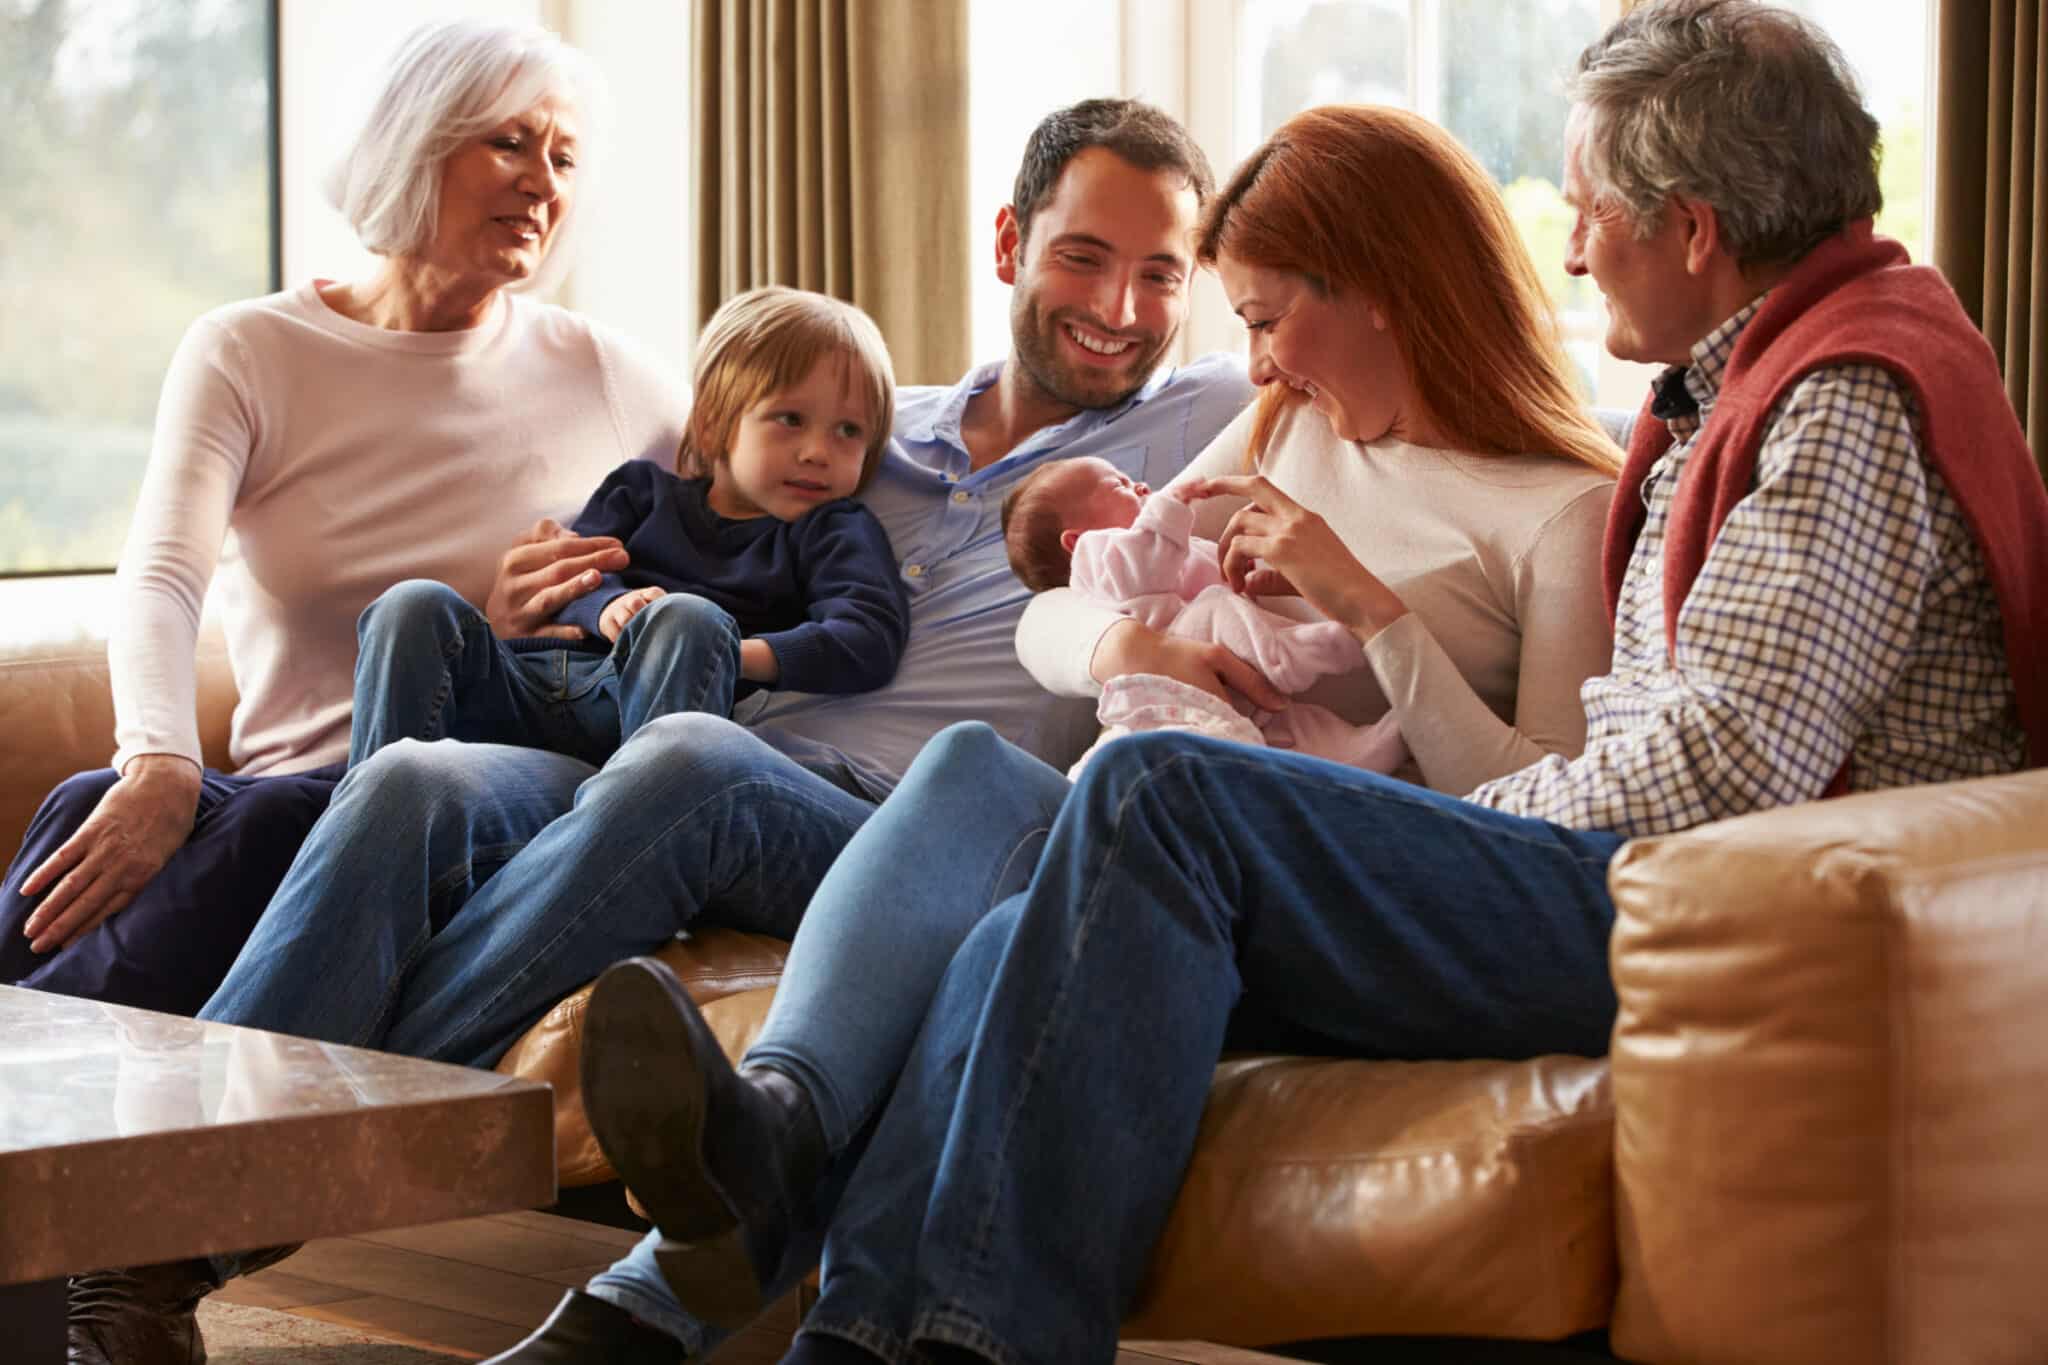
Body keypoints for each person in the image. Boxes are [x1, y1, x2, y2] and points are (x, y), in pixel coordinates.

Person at [565, 3, 2048, 1362]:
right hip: (1625, 864)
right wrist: (1141, 647)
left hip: (1688, 900)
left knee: (1157, 793)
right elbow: (1088, 596)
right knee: (1025, 849)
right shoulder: (1724, 389)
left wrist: (1431, 773)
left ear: (1698, 228)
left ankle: (945, 1320)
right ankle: (847, 1302)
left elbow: (1713, 777)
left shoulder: (1838, 401)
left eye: (1594, 210)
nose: (1577, 246)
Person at [69, 97, 1255, 1365]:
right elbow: (652, 509)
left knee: (686, 765)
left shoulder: (1197, 422)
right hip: (661, 735)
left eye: (1159, 276)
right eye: (1085, 256)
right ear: (1011, 243)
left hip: (879, 822)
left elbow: (1361, 352)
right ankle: (132, 1243)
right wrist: (534, 596)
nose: (1119, 308)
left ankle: (175, 1227)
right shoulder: (862, 418)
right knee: (417, 778)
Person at [558, 100, 1627, 1365]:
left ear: (1383, 289)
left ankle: (686, 1302)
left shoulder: (1563, 511)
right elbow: (1069, 598)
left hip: (1318, 883)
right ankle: (784, 1148)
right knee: (970, 776)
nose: (1257, 360)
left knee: (1012, 927)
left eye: (1269, 319)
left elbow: (1553, 804)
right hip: (1156, 826)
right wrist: (1131, 649)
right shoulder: (1284, 426)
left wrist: (1372, 612)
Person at [0, 17, 687, 1022]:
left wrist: (571, 622)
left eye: (565, 156)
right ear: (413, 139)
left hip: (452, 807)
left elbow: (760, 515)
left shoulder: (608, 376)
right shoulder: (249, 350)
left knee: (272, 822)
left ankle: (37, 1095)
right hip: (280, 796)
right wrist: (159, 762)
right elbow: (161, 579)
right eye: (510, 142)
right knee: (86, 803)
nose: (545, 182)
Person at [348, 287, 908, 773]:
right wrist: (608, 608)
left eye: (849, 431)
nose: (817, 452)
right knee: (411, 605)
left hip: (640, 712)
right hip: (529, 685)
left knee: (685, 616)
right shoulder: (641, 490)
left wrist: (729, 653)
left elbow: (868, 636)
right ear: (714, 424)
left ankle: (633, 827)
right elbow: (570, 578)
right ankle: (365, 816)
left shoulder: (833, 529)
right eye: (790, 419)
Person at [1002, 455, 1406, 774]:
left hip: (1230, 683)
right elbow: (1148, 565)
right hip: (1179, 654)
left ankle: (1385, 742)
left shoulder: (1172, 539)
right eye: (1118, 484)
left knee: (1306, 736)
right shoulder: (1100, 560)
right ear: (1075, 540)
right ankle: (1298, 653)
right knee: (1214, 605)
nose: (1139, 485)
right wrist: (1169, 504)